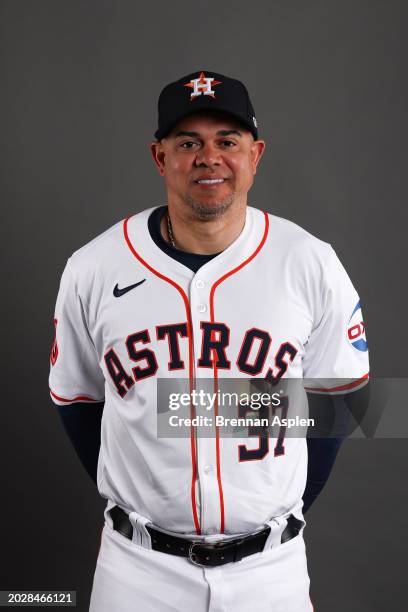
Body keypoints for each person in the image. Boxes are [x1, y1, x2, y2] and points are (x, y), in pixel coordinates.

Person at [49, 71, 369, 611]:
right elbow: (79, 403)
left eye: (227, 141)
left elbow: (339, 397)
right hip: (137, 572)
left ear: (255, 154)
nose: (209, 157)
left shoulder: (309, 262)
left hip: (272, 574)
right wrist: (140, 494)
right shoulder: (93, 268)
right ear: (160, 156)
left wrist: (281, 510)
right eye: (188, 142)